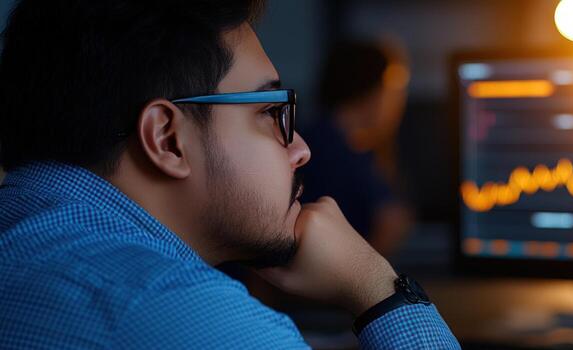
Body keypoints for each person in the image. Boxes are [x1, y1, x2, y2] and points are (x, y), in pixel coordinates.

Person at [0, 0, 460, 349]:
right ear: (167, 139)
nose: (301, 149)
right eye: (269, 111)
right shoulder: (185, 312)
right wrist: (377, 287)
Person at [301, 41, 413, 256]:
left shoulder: (356, 149)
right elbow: (392, 220)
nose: (400, 102)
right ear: (368, 91)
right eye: (395, 89)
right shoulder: (329, 152)